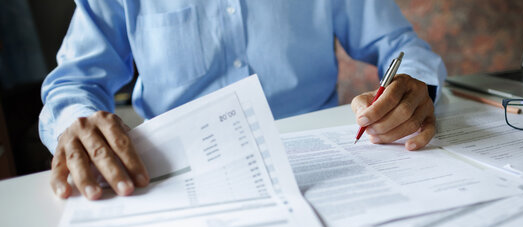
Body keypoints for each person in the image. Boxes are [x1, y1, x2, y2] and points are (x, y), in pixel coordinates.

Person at [40, 0, 447, 200]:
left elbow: (398, 43)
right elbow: (73, 82)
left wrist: (418, 88)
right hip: (175, 178)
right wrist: (79, 120)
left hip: (329, 168)